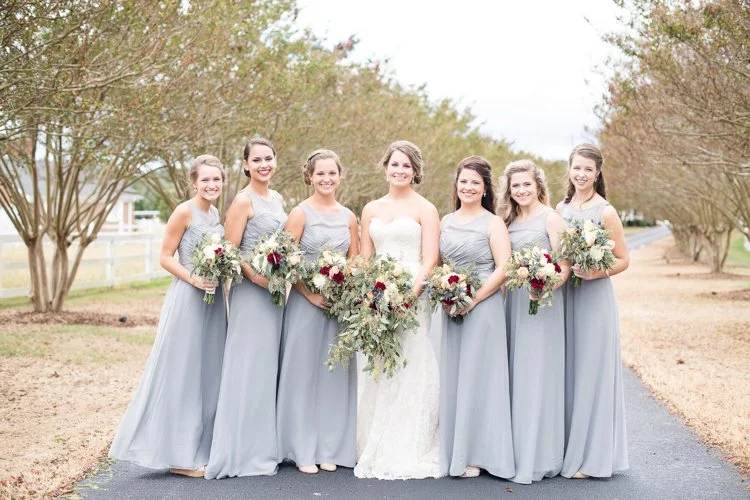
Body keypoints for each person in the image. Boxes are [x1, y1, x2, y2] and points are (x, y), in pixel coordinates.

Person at [109, 155, 227, 478]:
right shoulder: (183, 212)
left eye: (216, 179)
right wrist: (193, 278)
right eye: (205, 179)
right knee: (182, 373)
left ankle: (198, 445)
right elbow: (164, 257)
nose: (211, 185)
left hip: (213, 301)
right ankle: (178, 456)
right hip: (189, 298)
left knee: (206, 373)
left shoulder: (215, 213)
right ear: (194, 182)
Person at [354, 140, 443, 479]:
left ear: (415, 171)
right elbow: (366, 257)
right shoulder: (371, 209)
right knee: (379, 360)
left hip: (413, 294)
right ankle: (376, 436)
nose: (400, 170)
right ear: (386, 167)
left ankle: (409, 440)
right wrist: (369, 292)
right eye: (395, 164)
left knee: (410, 356)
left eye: (407, 165)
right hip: (378, 293)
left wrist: (409, 296)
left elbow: (430, 259)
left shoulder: (426, 209)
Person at [205, 138, 287, 479]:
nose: (264, 164)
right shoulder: (242, 200)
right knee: (248, 365)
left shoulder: (278, 199)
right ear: (245, 165)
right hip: (251, 292)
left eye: (268, 158)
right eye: (257, 160)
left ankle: (263, 446)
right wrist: (256, 277)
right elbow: (230, 249)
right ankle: (238, 451)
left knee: (267, 368)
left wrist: (281, 273)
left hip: (275, 294)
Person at [276, 150, 360, 474]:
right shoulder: (300, 213)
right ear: (310, 176)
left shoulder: (349, 217)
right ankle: (302, 448)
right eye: (320, 173)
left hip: (337, 308)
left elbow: (355, 261)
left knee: (334, 376)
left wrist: (345, 285)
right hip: (305, 305)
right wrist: (308, 293)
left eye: (331, 173)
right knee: (303, 375)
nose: (326, 179)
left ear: (340, 176)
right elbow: (285, 260)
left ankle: (330, 447)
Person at [557, 143, 630, 479]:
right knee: (568, 370)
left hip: (594, 299)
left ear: (598, 172)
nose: (581, 174)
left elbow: (623, 259)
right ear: (569, 169)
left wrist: (595, 272)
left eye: (588, 169)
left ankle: (593, 458)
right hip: (565, 297)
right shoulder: (560, 209)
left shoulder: (606, 212)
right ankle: (566, 450)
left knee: (591, 371)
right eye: (577, 167)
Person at [438, 156, 514, 479]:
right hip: (452, 307)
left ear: (485, 189)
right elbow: (439, 264)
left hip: (483, 307)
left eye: (475, 183)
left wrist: (474, 299)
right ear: (456, 185)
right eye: (463, 181)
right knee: (456, 376)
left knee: (481, 377)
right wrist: (445, 292)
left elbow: (505, 267)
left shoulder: (492, 223)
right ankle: (456, 448)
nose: (468, 187)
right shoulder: (445, 220)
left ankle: (481, 453)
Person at [502, 159, 569, 483]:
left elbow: (564, 266)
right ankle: (513, 453)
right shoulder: (508, 221)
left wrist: (543, 286)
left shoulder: (551, 218)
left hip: (542, 305)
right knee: (515, 373)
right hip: (513, 305)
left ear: (538, 185)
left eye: (526, 184)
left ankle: (539, 455)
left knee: (538, 373)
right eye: (515, 185)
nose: (521, 190)